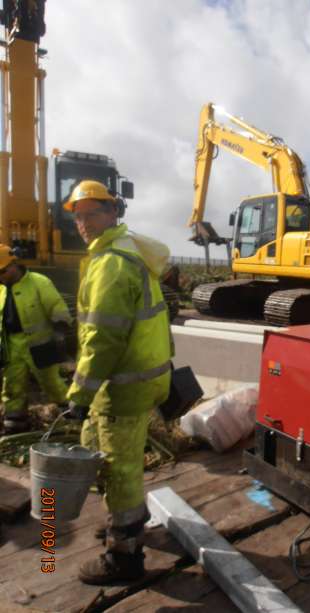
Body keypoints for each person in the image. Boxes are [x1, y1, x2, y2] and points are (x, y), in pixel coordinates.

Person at [62, 180, 172, 585]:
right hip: (139, 378)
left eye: (92, 213)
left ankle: (124, 556)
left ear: (113, 213)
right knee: (93, 445)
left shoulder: (111, 263)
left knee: (118, 468)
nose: (83, 222)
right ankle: (127, 519)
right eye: (77, 215)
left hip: (125, 384)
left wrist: (79, 394)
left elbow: (102, 339)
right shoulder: (126, 251)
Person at [0, 245, 71, 434]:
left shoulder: (39, 283)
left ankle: (72, 422)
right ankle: (15, 428)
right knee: (12, 387)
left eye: (2, 272)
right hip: (11, 347)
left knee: (52, 384)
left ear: (13, 265)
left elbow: (58, 308)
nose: (1, 277)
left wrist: (59, 334)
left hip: (40, 345)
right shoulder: (1, 289)